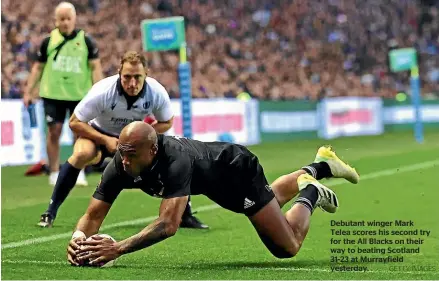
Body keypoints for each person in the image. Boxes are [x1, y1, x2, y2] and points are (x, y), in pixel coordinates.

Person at [67, 121, 360, 266]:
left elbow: (169, 225)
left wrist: (117, 248)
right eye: (121, 153)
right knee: (268, 201)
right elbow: (93, 214)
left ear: (153, 150)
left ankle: (310, 191)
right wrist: (78, 241)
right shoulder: (120, 164)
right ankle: (321, 164)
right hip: (214, 182)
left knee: (286, 247)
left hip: (236, 169)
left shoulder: (175, 160)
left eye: (131, 154)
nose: (124, 161)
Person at [38, 51, 208, 230]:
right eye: (127, 77)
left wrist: (143, 137)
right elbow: (74, 122)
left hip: (134, 139)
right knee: (81, 153)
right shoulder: (103, 91)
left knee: (172, 156)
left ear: (146, 75)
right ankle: (51, 211)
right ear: (119, 73)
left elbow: (167, 122)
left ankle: (185, 214)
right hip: (100, 135)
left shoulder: (156, 91)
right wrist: (105, 140)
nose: (132, 83)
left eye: (137, 77)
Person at [23, 1, 103, 186]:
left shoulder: (86, 41)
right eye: (61, 19)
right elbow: (37, 68)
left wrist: (98, 92)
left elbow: (95, 67)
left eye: (68, 19)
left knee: (80, 134)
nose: (65, 23)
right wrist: (29, 91)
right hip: (53, 94)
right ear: (55, 20)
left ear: (74, 19)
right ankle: (53, 172)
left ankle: (79, 171)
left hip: (79, 95)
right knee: (54, 132)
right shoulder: (48, 41)